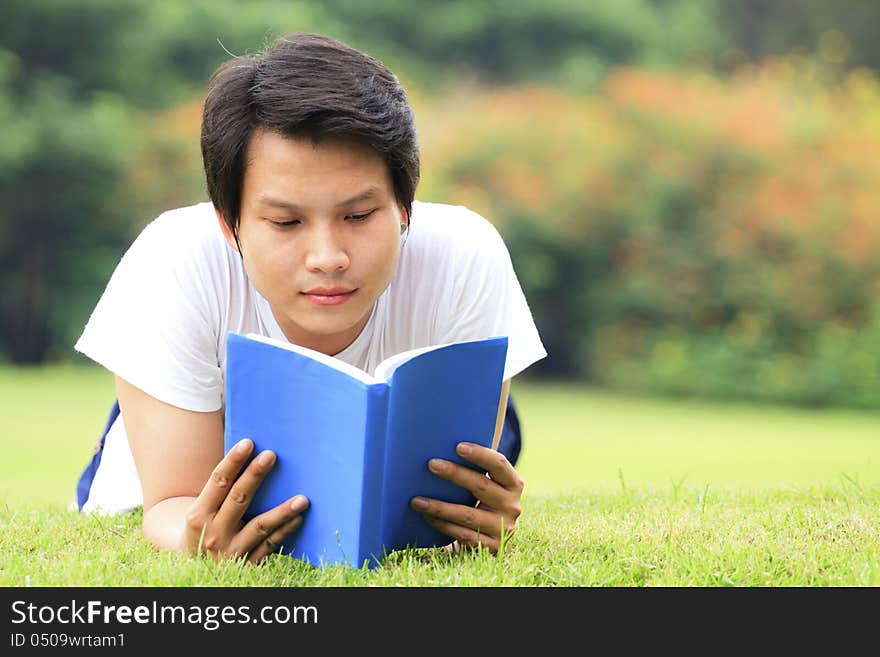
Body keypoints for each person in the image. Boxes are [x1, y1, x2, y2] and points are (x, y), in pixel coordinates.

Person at [73, 32, 546, 564]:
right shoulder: (175, 258)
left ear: (404, 208)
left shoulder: (465, 252)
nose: (328, 257)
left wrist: (483, 511)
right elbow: (169, 506)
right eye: (285, 221)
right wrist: (198, 538)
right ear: (230, 226)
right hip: (175, 447)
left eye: (359, 216)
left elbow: (467, 487)